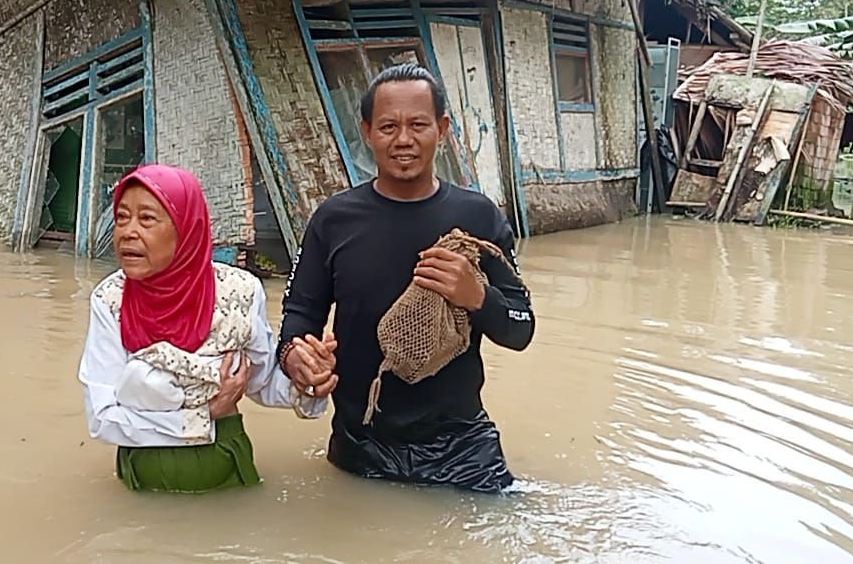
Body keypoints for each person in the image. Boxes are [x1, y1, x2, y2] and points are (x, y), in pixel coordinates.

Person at [276, 62, 537, 494]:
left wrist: (477, 296)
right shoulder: (333, 220)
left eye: (418, 124)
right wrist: (295, 358)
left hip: (463, 451)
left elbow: (521, 328)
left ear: (443, 128)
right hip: (360, 446)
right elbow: (300, 315)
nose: (403, 140)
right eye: (388, 126)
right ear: (366, 131)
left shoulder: (478, 217)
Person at [78, 164, 331, 493]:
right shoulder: (111, 300)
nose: (128, 232)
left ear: (185, 227)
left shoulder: (239, 291)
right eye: (122, 217)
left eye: (147, 219)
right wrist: (204, 415)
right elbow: (103, 418)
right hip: (143, 474)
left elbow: (263, 382)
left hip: (227, 463)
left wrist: (307, 377)